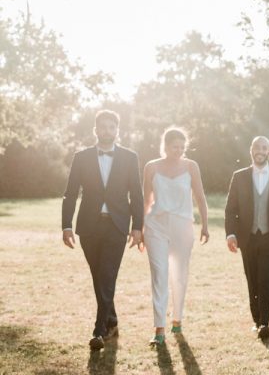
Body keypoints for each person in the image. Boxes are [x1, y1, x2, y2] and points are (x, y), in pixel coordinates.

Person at [62, 109, 144, 351]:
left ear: (117, 130)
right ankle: (112, 319)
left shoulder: (130, 157)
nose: (107, 131)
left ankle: (99, 330)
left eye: (112, 127)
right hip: (89, 225)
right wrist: (66, 225)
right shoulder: (82, 157)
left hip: (117, 225)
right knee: (99, 276)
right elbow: (70, 193)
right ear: (96, 129)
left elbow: (136, 195)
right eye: (103, 127)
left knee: (107, 275)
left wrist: (137, 226)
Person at [142, 127, 210, 345]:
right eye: (174, 147)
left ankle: (177, 318)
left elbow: (200, 197)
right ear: (165, 146)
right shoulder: (151, 167)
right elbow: (146, 200)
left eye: (182, 147)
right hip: (156, 226)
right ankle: (159, 328)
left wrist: (205, 225)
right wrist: (140, 229)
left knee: (179, 276)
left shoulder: (191, 166)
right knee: (159, 273)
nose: (178, 151)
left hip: (183, 226)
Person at [224, 136, 269, 340]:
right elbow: (230, 210)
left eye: (264, 148)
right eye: (257, 147)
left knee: (265, 280)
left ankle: (265, 322)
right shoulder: (239, 176)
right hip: (248, 238)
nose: (260, 151)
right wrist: (230, 233)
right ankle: (256, 320)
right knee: (252, 280)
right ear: (251, 150)